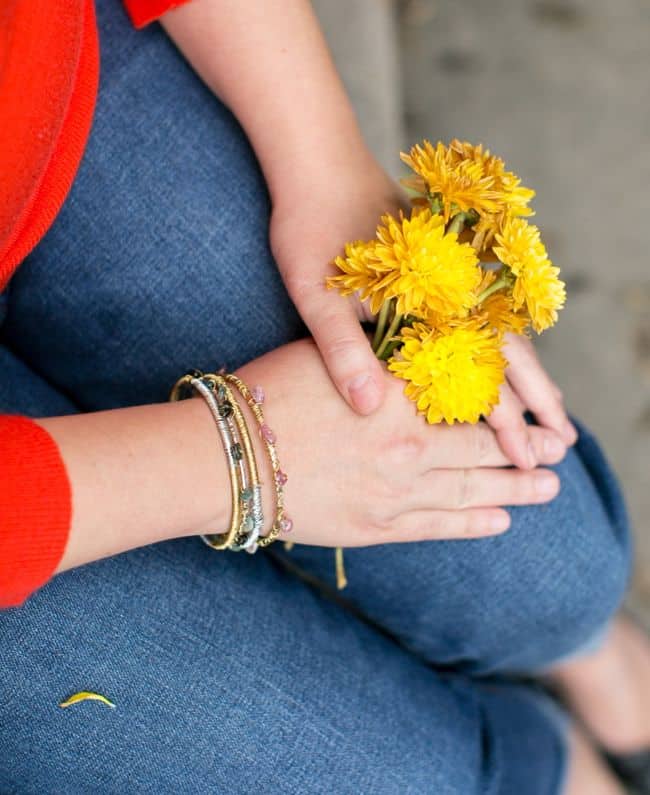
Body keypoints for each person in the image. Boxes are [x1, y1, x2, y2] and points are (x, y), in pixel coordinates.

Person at [0, 1, 648, 792]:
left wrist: (323, 155)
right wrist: (232, 459)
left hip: (37, 100)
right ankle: (537, 764)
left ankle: (586, 645)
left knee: (545, 565)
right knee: (395, 777)